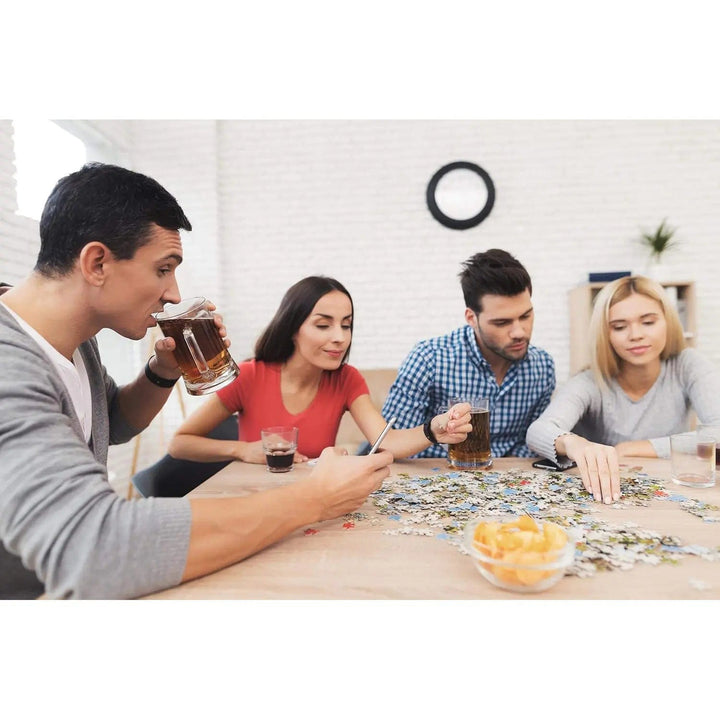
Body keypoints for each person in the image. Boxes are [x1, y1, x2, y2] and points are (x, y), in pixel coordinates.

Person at [0, 162, 393, 600]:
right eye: (164, 268)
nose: (172, 293)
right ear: (97, 263)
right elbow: (95, 548)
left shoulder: (73, 341)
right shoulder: (9, 362)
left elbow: (110, 420)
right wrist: (316, 498)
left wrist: (162, 372)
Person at [168, 276, 473, 464]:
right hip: (254, 497)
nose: (340, 337)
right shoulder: (250, 375)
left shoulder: (346, 379)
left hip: (313, 501)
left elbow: (388, 442)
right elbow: (180, 444)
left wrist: (436, 429)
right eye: (323, 325)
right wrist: (242, 450)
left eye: (347, 324)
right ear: (292, 329)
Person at [526, 275, 720, 504]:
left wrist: (634, 448)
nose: (636, 335)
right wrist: (574, 443)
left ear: (667, 322)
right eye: (619, 327)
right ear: (605, 335)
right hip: (604, 498)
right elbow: (537, 431)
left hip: (672, 495)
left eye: (648, 322)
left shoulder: (687, 364)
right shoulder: (590, 381)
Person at [381, 248, 556, 460]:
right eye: (502, 322)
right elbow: (388, 443)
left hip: (508, 481)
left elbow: (530, 443)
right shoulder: (429, 359)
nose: (519, 332)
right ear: (471, 318)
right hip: (437, 477)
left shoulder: (542, 367)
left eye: (526, 316)